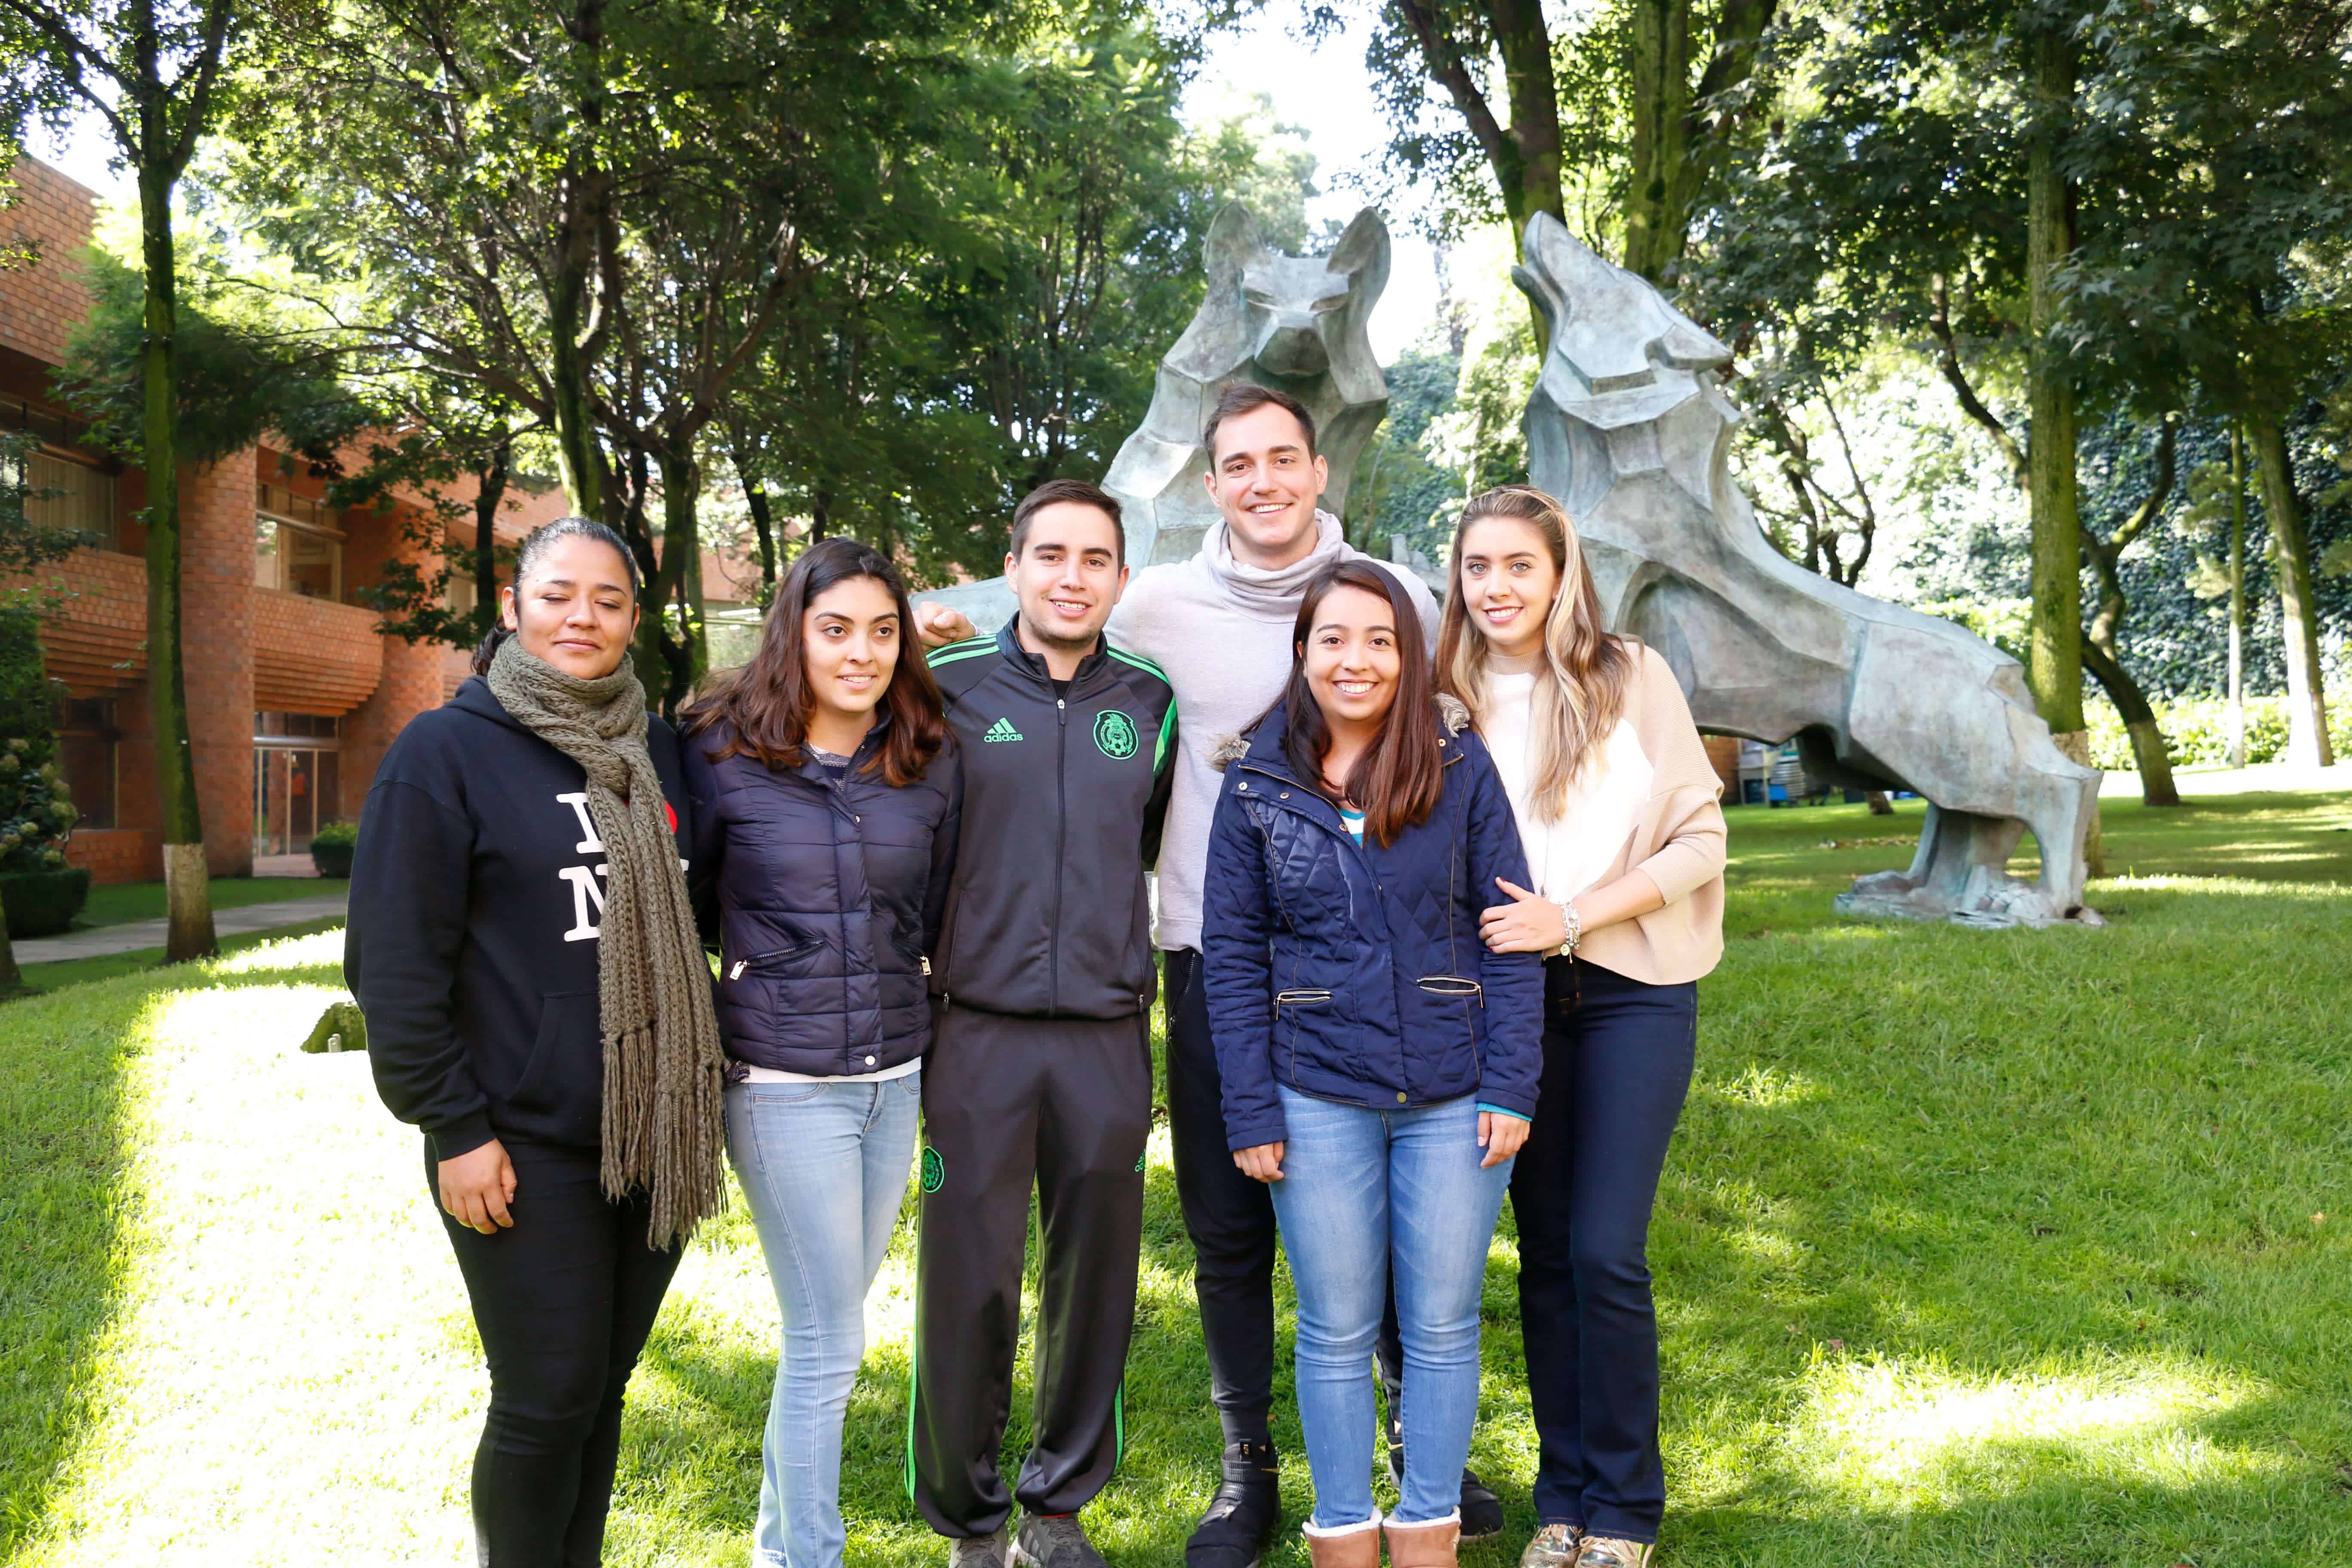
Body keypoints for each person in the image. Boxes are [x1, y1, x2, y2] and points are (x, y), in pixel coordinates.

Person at [919, 385, 1503, 1566]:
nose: (1264, 483)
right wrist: (923, 624)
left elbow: (1464, 749)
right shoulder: (1160, 610)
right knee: (1230, 1228)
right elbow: (1044, 648)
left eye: (1283, 460)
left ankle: (1411, 1449)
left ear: (1319, 471)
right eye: (1238, 465)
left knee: (1395, 1214)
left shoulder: (1398, 598)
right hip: (1208, 952)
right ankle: (1248, 1471)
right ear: (1211, 485)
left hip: (1377, 964)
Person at [348, 515, 725, 1568]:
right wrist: (455, 1128)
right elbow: (394, 966)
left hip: (652, 1128)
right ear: (512, 607)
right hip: (518, 1144)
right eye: (559, 594)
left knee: (598, 1394)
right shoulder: (444, 752)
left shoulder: (656, 749)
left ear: (635, 622)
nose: (583, 617)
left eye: (609, 601)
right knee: (544, 1399)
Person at [1201, 560, 1542, 1568]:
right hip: (1315, 1094)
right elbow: (1232, 958)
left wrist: (1512, 1082)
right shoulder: (1257, 781)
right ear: (1302, 652)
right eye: (1334, 639)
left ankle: (1429, 1531)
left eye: (1380, 641)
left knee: (1441, 1326)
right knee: (1336, 1329)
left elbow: (1508, 930)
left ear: (1410, 655)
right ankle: (1344, 1533)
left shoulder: (1460, 766)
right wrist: (1252, 1108)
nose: (1357, 660)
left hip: (1455, 1092)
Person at [1442, 486, 1727, 1568]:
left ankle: (1626, 1510)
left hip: (1627, 992)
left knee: (1608, 1250)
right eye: (1478, 568)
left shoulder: (1630, 677)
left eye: (1519, 565)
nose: (1498, 587)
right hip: (1506, 1008)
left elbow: (1700, 842)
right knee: (1547, 1255)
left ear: (1560, 575)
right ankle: (1562, 1499)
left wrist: (1572, 916)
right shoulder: (1444, 695)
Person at [907, 478, 1176, 1568]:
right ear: (1011, 568)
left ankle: (1056, 1505)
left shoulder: (1151, 700)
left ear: (1119, 578)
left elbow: (1149, 842)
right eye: (1051, 555)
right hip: (973, 1030)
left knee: (1097, 1274)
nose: (1073, 577)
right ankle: (969, 1518)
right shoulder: (945, 683)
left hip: (1107, 1034)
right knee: (968, 1273)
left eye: (1096, 559)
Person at [678, 537, 959, 1568]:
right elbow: (695, 903)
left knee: (829, 1330)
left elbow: (929, 910)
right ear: (794, 632)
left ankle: (776, 1547)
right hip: (784, 1088)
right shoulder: (717, 754)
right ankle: (811, 1557)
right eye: (837, 629)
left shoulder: (924, 759)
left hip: (895, 1078)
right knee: (830, 1342)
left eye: (884, 632)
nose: (862, 652)